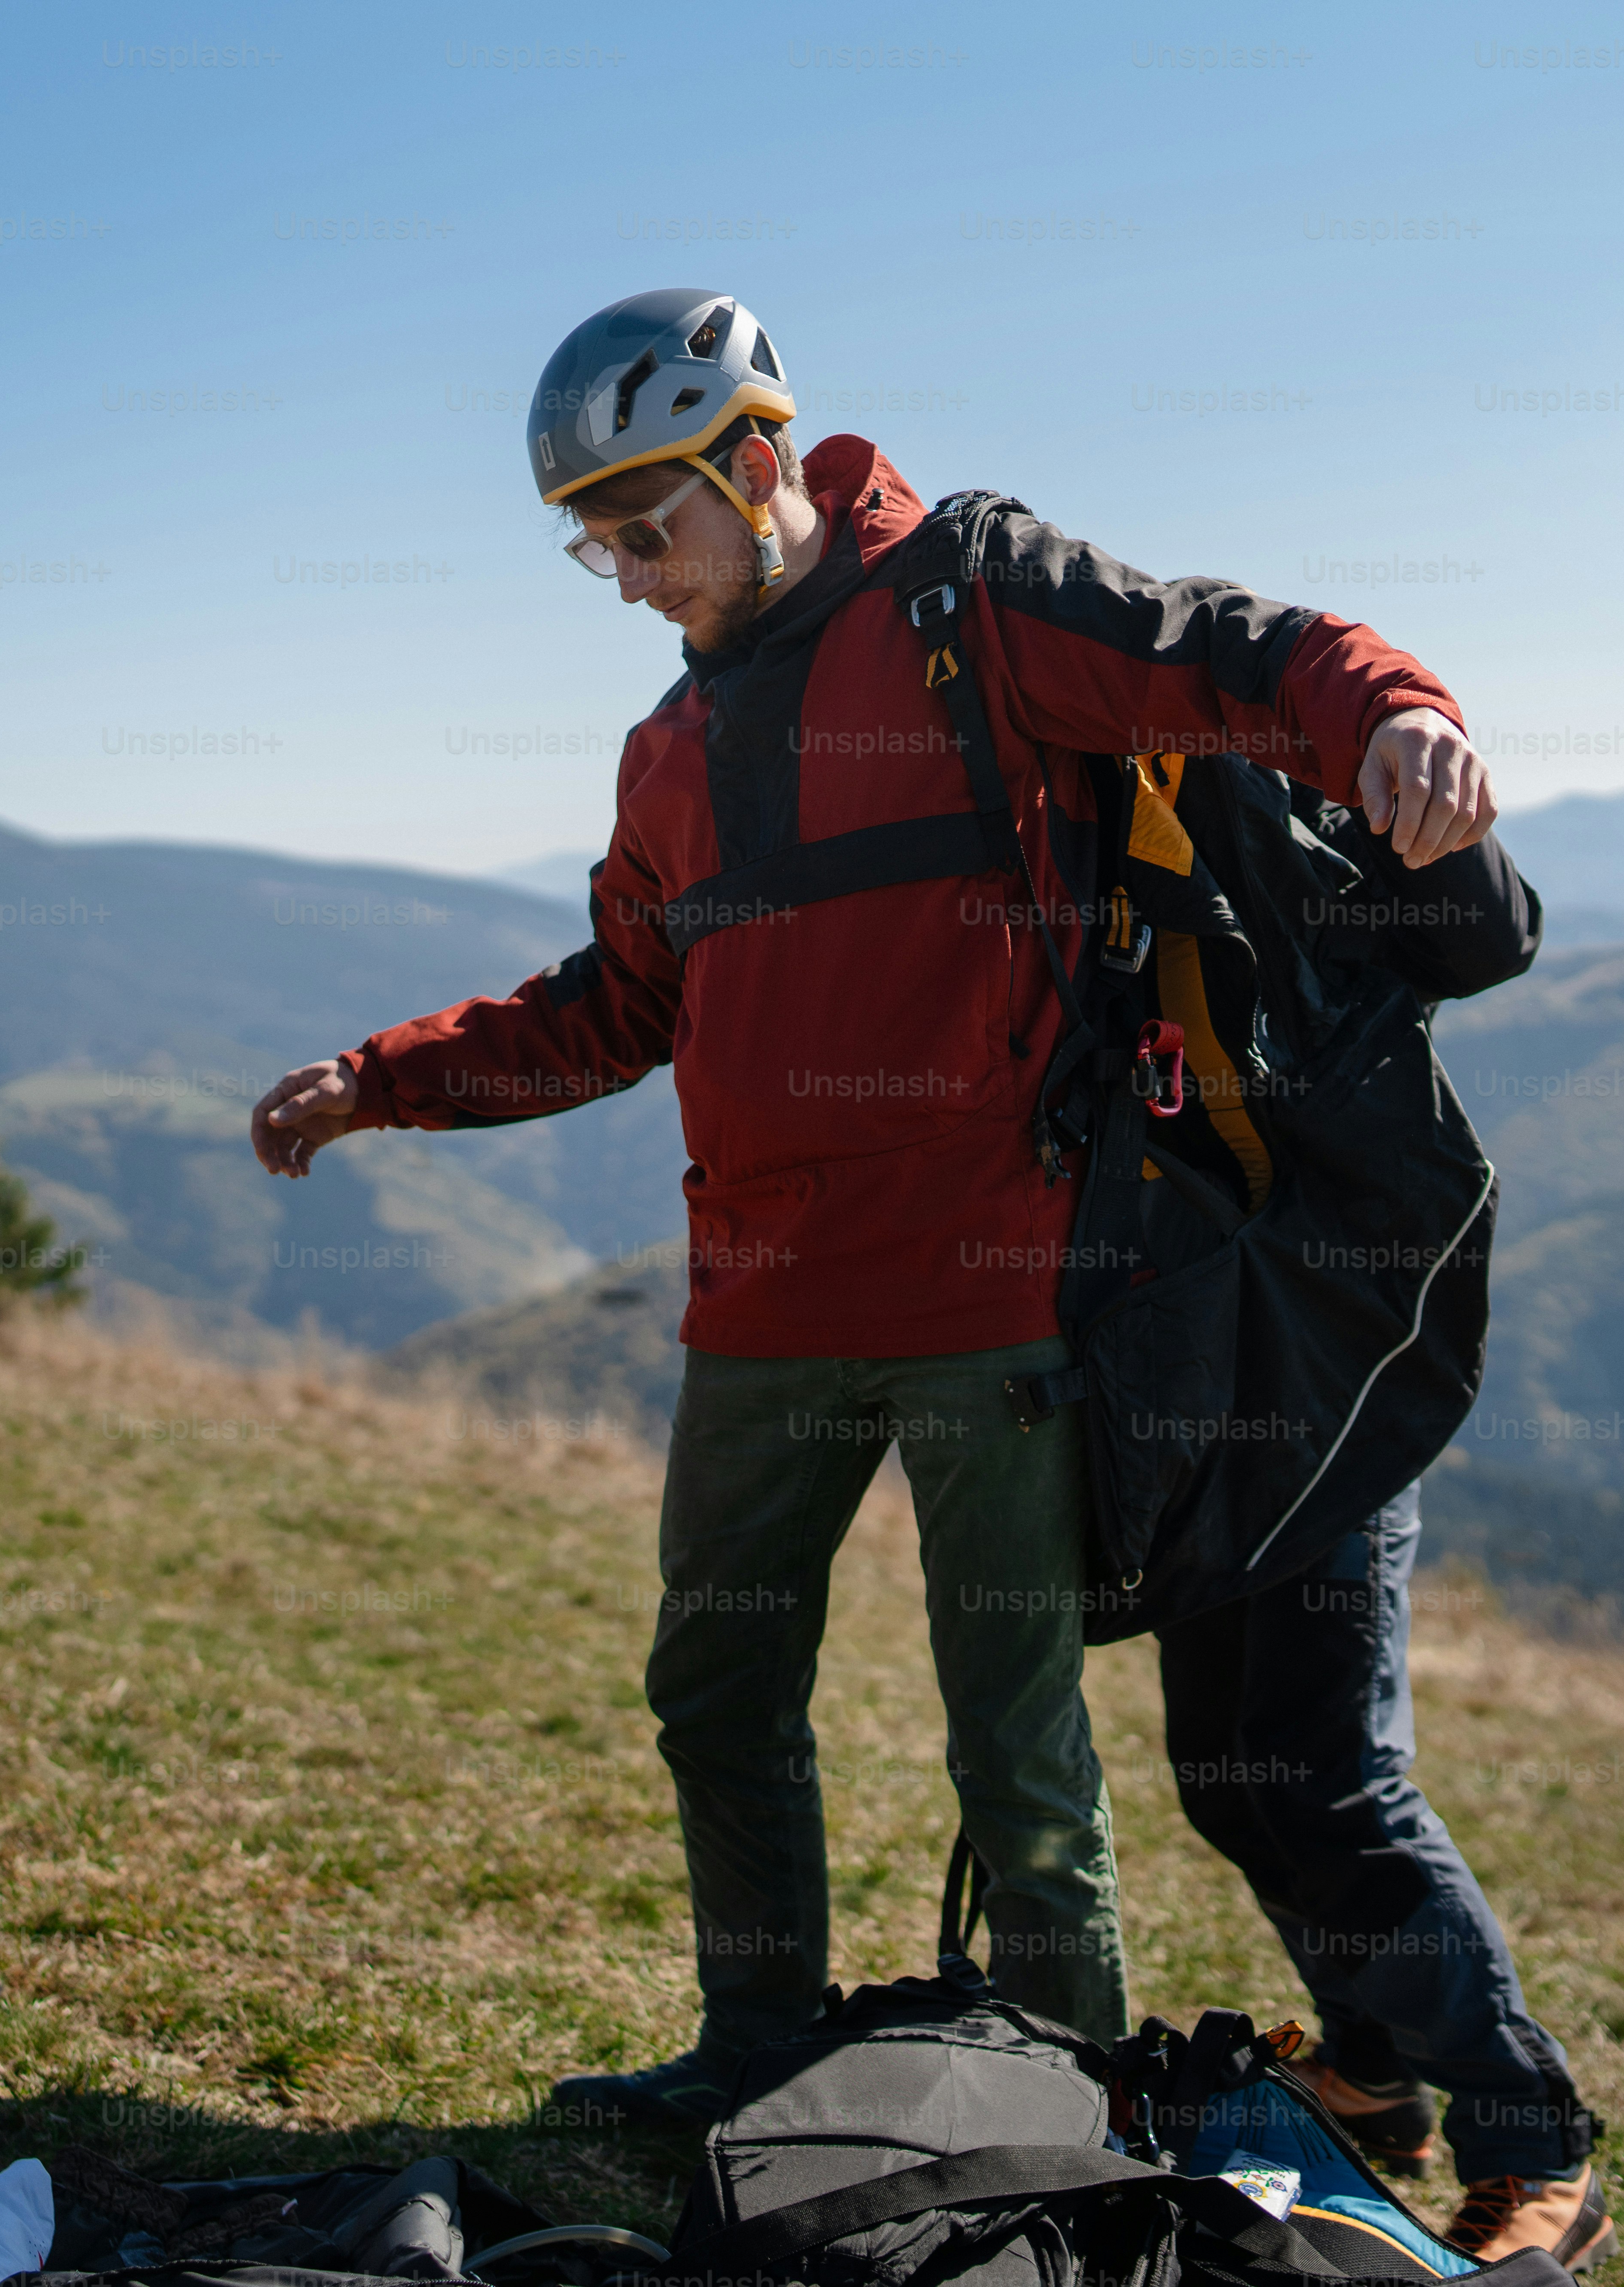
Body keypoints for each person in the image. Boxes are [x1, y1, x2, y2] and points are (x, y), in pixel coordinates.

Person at [246, 288, 1535, 2233]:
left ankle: (1065, 2108)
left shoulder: (974, 604)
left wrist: (1401, 719)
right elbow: (616, 1002)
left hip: (992, 1302)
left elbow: (1242, 654)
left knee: (1014, 1749)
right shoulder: (664, 744)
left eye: (640, 525)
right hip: (757, 1310)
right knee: (717, 1693)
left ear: (755, 463)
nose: (615, 575)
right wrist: (378, 1082)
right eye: (583, 541)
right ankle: (753, 2038)